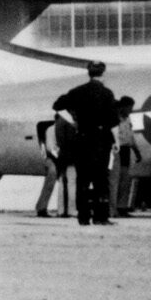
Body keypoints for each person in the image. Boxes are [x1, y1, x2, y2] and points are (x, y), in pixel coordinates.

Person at [53, 62, 119, 225]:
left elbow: (57, 106)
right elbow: (113, 121)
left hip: (82, 139)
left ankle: (83, 217)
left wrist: (74, 122)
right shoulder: (106, 93)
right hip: (101, 140)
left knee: (82, 179)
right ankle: (100, 217)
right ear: (103, 74)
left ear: (88, 73)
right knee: (100, 179)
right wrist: (116, 141)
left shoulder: (77, 92)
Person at [33, 118, 74, 218]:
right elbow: (50, 147)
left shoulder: (63, 128)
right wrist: (60, 157)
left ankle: (61, 209)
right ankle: (41, 207)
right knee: (52, 174)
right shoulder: (51, 129)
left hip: (56, 156)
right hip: (51, 157)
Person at [111, 96, 140, 217]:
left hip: (126, 150)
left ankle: (122, 207)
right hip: (116, 149)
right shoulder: (114, 119)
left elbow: (131, 137)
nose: (131, 110)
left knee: (125, 180)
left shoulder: (128, 119)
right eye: (129, 108)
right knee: (115, 179)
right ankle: (112, 208)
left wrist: (137, 151)